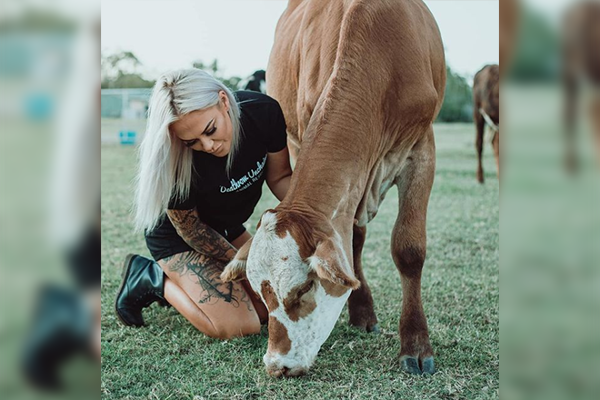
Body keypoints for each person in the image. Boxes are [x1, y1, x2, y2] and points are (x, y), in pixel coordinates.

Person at [115, 68, 292, 339]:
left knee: (268, 310)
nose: (208, 145)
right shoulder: (175, 160)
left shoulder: (263, 113)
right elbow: (192, 231)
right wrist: (249, 263)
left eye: (210, 130)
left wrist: (317, 211)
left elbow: (280, 177)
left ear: (223, 101)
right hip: (179, 238)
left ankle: (195, 285)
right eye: (192, 142)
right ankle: (152, 278)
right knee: (240, 326)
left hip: (226, 226)